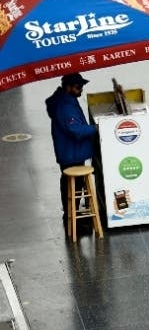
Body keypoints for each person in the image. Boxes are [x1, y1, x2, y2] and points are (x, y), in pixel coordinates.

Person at [45, 73, 98, 227]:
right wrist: (95, 128)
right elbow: (75, 130)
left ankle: (71, 214)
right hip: (71, 153)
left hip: (70, 151)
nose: (81, 89)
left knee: (71, 183)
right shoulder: (66, 106)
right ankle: (72, 217)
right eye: (78, 87)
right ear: (67, 87)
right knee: (73, 185)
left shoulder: (66, 100)